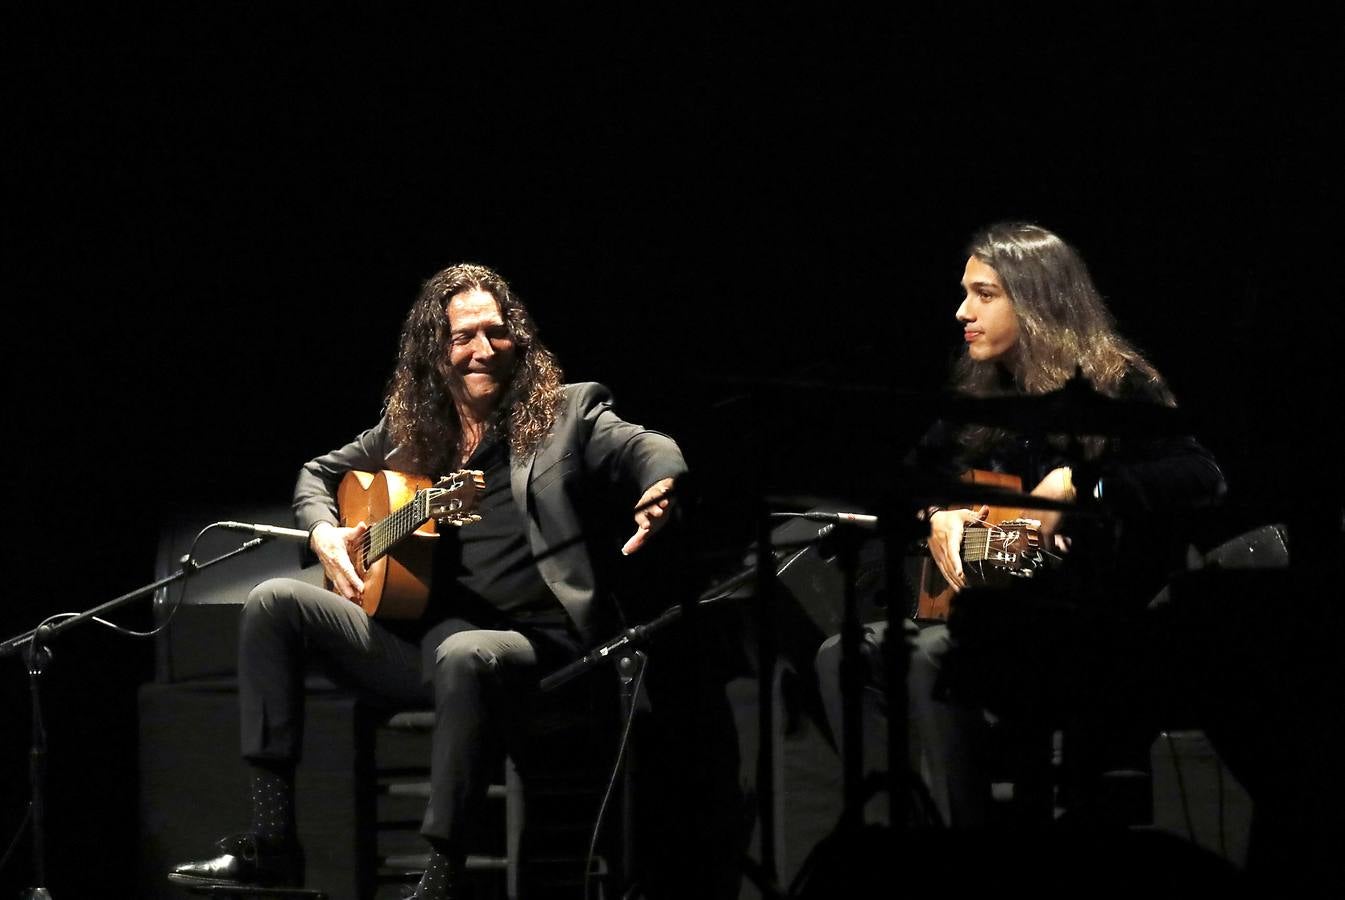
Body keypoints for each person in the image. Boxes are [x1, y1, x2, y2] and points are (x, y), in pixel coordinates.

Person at [169, 263, 687, 899]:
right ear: (433, 351)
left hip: (533, 652)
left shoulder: (566, 412)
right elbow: (316, 474)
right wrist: (322, 533)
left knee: (465, 654)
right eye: (462, 336)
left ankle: (442, 880)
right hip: (416, 648)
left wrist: (660, 482)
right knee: (274, 600)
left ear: (517, 340)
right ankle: (273, 841)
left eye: (496, 333)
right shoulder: (409, 433)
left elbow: (645, 444)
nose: (482, 350)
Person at [816, 222, 1225, 832]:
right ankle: (896, 837)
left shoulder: (1116, 382)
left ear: (1034, 300)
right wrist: (938, 511)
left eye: (983, 294)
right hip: (992, 620)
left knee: (935, 655)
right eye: (965, 293)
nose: (962, 312)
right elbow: (914, 481)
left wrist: (1083, 487)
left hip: (1089, 631)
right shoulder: (982, 390)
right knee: (842, 654)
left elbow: (1202, 475)